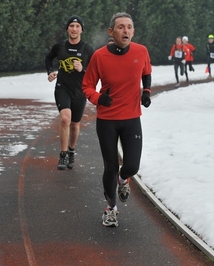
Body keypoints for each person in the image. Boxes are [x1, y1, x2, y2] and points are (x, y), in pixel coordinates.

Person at [82, 12, 152, 227]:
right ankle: (110, 208)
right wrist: (99, 98)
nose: (126, 31)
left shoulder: (141, 51)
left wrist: (146, 91)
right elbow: (87, 86)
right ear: (111, 32)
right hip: (107, 120)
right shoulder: (100, 56)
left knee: (131, 166)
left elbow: (146, 72)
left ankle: (124, 179)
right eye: (121, 27)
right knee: (110, 167)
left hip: (132, 118)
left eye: (129, 27)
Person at [45, 16, 94, 170]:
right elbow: (48, 58)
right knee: (65, 119)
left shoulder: (87, 49)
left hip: (80, 91)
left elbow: (94, 72)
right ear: (67, 28)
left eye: (77, 26)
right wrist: (50, 72)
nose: (74, 29)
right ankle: (63, 154)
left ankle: (72, 151)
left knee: (74, 124)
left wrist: (82, 69)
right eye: (71, 26)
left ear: (81, 30)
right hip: (62, 88)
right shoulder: (59, 47)